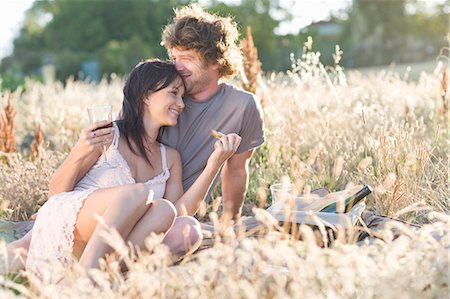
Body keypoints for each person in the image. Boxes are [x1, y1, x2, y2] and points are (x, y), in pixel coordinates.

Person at [17, 59, 241, 274]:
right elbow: (56, 196)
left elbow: (179, 212)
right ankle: (86, 276)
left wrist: (214, 165)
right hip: (74, 227)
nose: (181, 104)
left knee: (184, 226)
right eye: (173, 93)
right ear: (145, 95)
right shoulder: (108, 135)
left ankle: (101, 273)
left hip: (118, 243)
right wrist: (80, 150)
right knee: (138, 193)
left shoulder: (170, 158)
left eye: (182, 97)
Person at [159, 4, 265, 220]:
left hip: (184, 217)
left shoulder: (243, 106)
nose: (177, 67)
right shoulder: (156, 93)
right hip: (134, 205)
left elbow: (236, 170)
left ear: (215, 60)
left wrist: (230, 223)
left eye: (187, 59)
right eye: (174, 58)